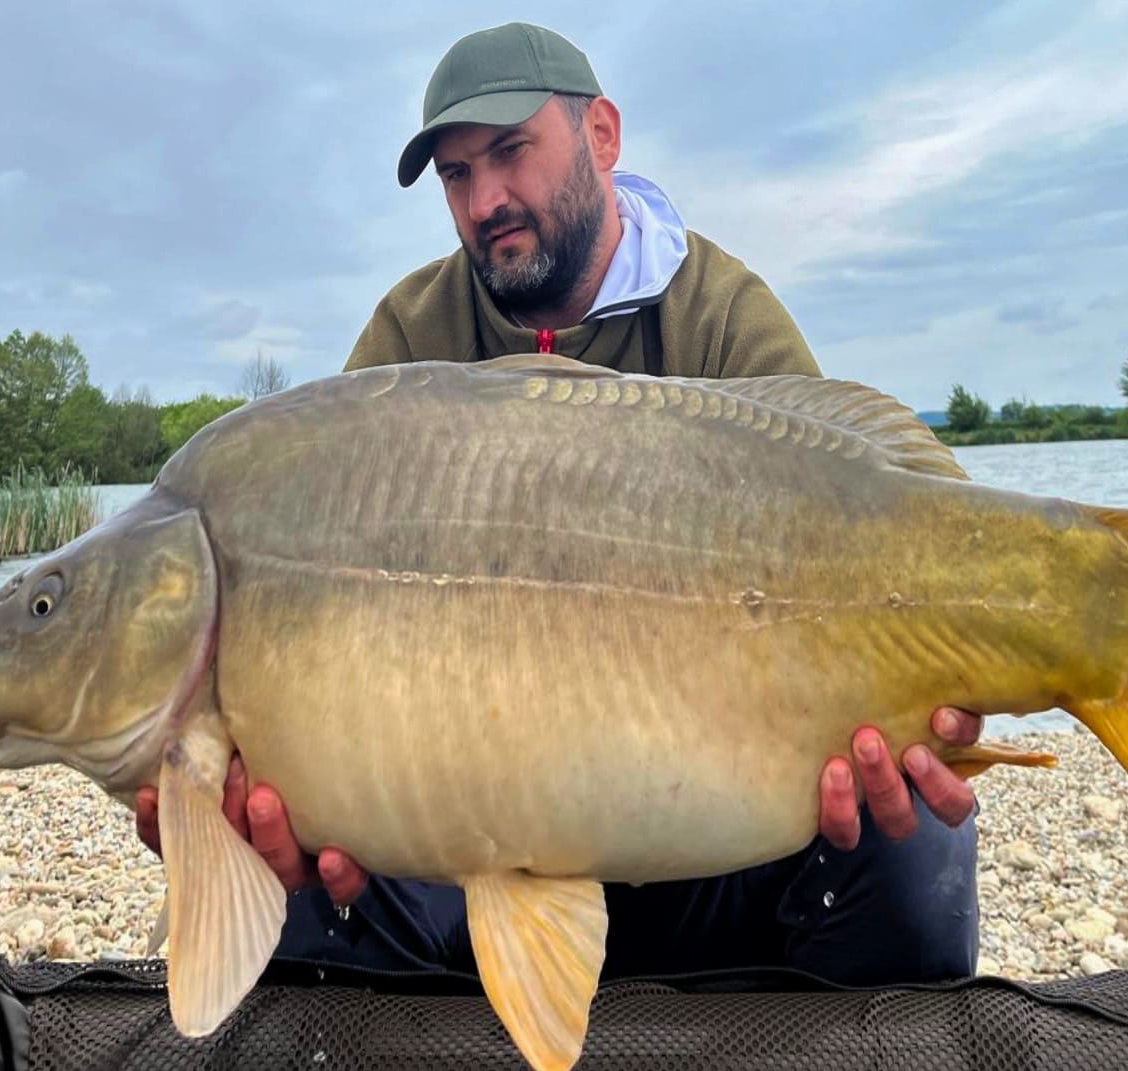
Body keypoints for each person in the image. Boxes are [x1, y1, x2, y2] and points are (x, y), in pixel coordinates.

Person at [136, 22, 984, 987]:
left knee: (911, 840)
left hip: (712, 834)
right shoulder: (411, 338)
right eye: (457, 175)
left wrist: (932, 703)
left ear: (602, 136)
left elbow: (864, 538)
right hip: (466, 849)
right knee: (295, 870)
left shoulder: (718, 318)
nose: (485, 200)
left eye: (510, 153)